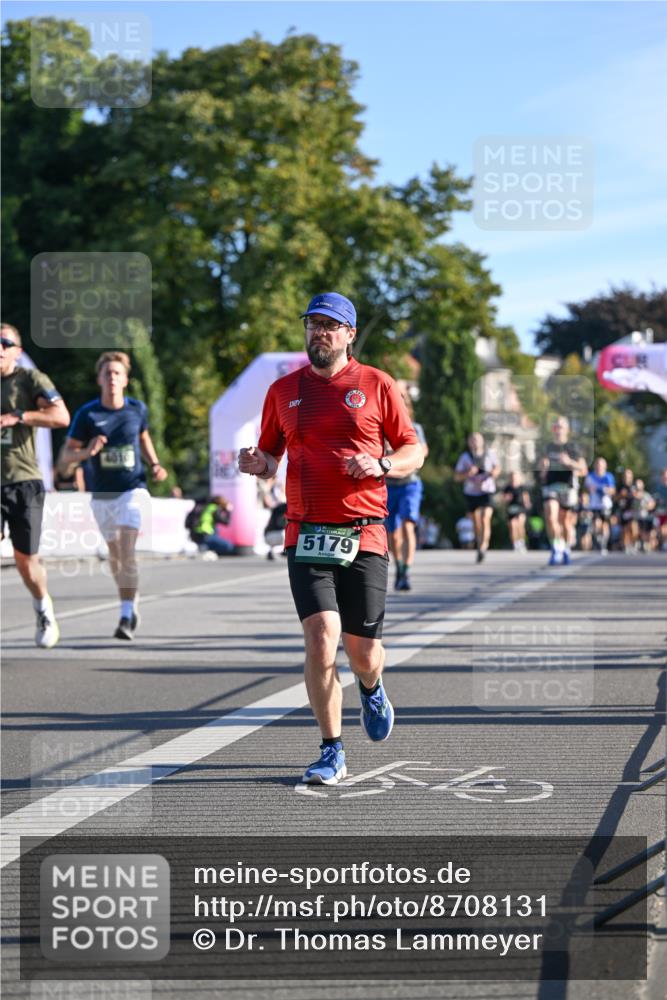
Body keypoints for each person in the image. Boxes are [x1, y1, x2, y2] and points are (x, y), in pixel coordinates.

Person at [238, 292, 422, 786]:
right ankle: (331, 749)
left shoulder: (376, 383)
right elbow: (270, 456)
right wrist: (259, 465)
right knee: (321, 640)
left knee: (363, 652)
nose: (319, 332)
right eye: (312, 323)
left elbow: (413, 449)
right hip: (306, 532)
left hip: (364, 533)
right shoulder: (282, 391)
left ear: (349, 334)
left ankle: (372, 684)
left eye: (329, 325)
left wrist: (382, 463)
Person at [58, 351, 168, 640]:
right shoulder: (88, 414)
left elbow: (143, 437)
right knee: (116, 557)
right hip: (101, 494)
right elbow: (65, 458)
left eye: (117, 373)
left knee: (126, 547)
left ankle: (125, 614)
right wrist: (87, 452)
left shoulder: (137, 409)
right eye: (107, 373)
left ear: (126, 380)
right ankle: (130, 602)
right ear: (99, 379)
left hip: (133, 489)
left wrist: (154, 464)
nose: (112, 378)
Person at [1, 323, 70, 647]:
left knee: (25, 561)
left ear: (17, 350)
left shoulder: (30, 380)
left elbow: (61, 417)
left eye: (5, 343)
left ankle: (43, 606)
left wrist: (19, 417)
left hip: (23, 480)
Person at [384, 381, 429, 591]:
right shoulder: (382, 426)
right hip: (389, 484)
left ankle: (406, 570)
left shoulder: (415, 427)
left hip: (410, 483)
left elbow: (423, 451)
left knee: (409, 525)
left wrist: (405, 455)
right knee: (392, 532)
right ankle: (399, 566)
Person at [537, 415, 588, 566]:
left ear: (567, 430)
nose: (558, 429)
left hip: (567, 486)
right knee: (551, 517)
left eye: (561, 427)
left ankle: (565, 548)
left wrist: (569, 463)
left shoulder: (572, 447)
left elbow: (583, 469)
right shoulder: (548, 447)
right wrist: (543, 468)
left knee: (565, 521)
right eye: (556, 426)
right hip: (551, 486)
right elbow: (541, 466)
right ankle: (555, 548)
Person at [454, 432, 500, 562]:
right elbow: (457, 477)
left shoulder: (489, 454)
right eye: (472, 440)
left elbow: (497, 469)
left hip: (487, 491)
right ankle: (480, 543)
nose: (475, 442)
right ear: (469, 443)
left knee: (485, 518)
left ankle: (483, 547)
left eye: (477, 440)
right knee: (476, 522)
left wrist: (492, 473)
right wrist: (468, 473)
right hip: (471, 492)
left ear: (482, 442)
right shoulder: (465, 457)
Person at [584, 457, 615, 552]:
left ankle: (604, 543)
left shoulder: (608, 477)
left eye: (601, 465)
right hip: (594, 505)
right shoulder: (590, 477)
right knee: (597, 523)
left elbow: (613, 490)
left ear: (605, 466)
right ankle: (598, 539)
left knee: (605, 524)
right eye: (597, 465)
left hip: (605, 505)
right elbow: (585, 490)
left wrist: (605, 490)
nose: (599, 467)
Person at [502, 470, 531, 552]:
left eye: (515, 476)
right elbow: (504, 498)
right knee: (512, 525)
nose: (514, 478)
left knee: (520, 524)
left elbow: (526, 497)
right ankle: (515, 543)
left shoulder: (522, 487)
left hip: (520, 507)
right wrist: (506, 498)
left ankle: (521, 542)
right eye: (512, 477)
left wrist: (527, 503)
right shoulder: (507, 488)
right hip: (511, 508)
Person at [653, 468, 667, 551]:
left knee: (664, 529)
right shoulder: (657, 487)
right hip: (660, 512)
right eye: (664, 475)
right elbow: (654, 499)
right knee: (660, 530)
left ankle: (665, 544)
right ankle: (662, 543)